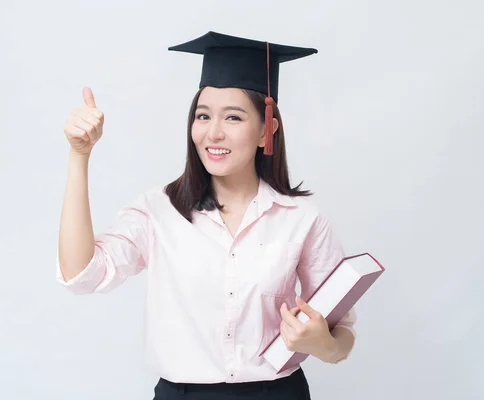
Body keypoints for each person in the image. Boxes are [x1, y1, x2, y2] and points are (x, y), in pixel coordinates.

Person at [57, 31, 357, 400]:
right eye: (203, 116)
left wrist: (321, 344)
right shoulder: (159, 210)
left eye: (233, 117)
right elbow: (81, 275)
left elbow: (341, 333)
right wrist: (79, 156)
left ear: (267, 130)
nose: (213, 133)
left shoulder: (302, 218)